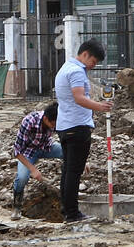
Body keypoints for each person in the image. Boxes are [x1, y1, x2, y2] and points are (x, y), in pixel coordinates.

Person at [53, 39, 111, 224]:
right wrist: (100, 106)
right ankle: (72, 213)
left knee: (68, 171)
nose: (93, 66)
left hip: (65, 126)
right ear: (85, 54)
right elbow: (79, 98)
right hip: (77, 126)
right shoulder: (77, 71)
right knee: (74, 172)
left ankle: (67, 209)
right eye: (93, 61)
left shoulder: (66, 67)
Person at [11, 102, 62, 219]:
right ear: (45, 119)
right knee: (22, 177)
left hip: (46, 147)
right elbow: (17, 152)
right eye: (52, 125)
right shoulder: (29, 122)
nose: (53, 128)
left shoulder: (57, 121)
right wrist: (33, 169)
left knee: (68, 152)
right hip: (28, 152)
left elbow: (67, 143)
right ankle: (17, 207)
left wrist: (80, 160)